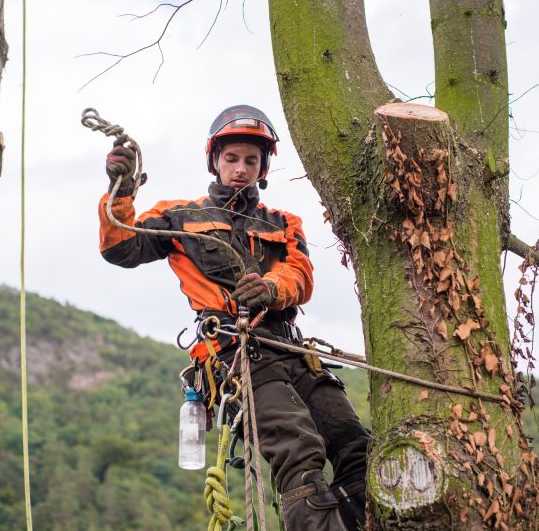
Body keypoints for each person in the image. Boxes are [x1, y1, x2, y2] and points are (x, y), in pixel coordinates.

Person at [97, 105, 369, 530]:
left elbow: (301, 275)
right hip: (235, 356)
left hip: (292, 350)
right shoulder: (180, 216)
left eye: (250, 160)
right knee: (300, 452)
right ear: (215, 161)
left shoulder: (283, 223)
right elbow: (121, 247)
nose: (240, 169)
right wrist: (121, 188)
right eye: (232, 158)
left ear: (263, 168)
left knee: (355, 445)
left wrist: (272, 287)